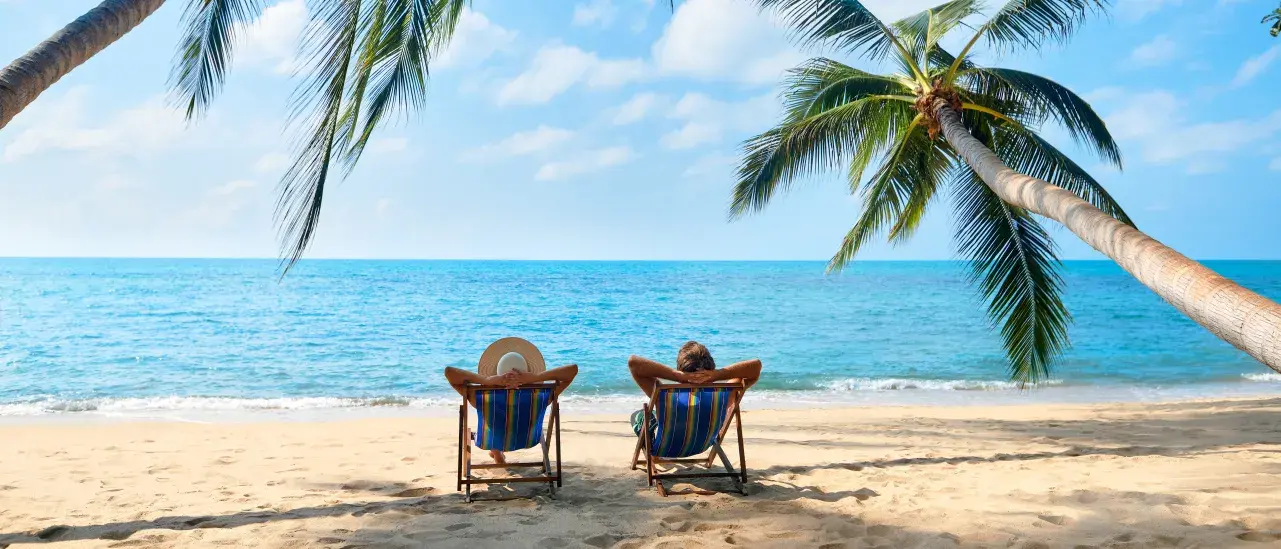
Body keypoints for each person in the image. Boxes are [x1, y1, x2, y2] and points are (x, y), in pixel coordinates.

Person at [444, 361, 578, 465]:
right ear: (526, 372)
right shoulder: (542, 395)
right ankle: (498, 454)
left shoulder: (479, 395)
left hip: (489, 440)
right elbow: (572, 370)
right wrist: (536, 377)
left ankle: (497, 453)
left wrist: (486, 381)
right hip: (528, 439)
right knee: (505, 420)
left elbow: (449, 372)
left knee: (494, 422)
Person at [627, 341, 762, 437]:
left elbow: (633, 363)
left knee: (638, 416)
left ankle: (654, 456)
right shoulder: (725, 394)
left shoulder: (665, 396)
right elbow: (756, 366)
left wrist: (677, 376)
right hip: (704, 444)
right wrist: (718, 375)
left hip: (669, 447)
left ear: (681, 369)